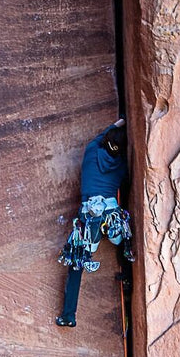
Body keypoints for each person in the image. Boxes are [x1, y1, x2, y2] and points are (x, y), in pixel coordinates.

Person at [57, 118, 134, 328]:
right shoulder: (120, 166)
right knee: (125, 245)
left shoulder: (91, 149)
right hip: (111, 212)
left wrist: (119, 124)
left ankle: (68, 315)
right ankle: (127, 276)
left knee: (77, 263)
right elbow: (125, 181)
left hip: (90, 212)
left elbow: (106, 133)